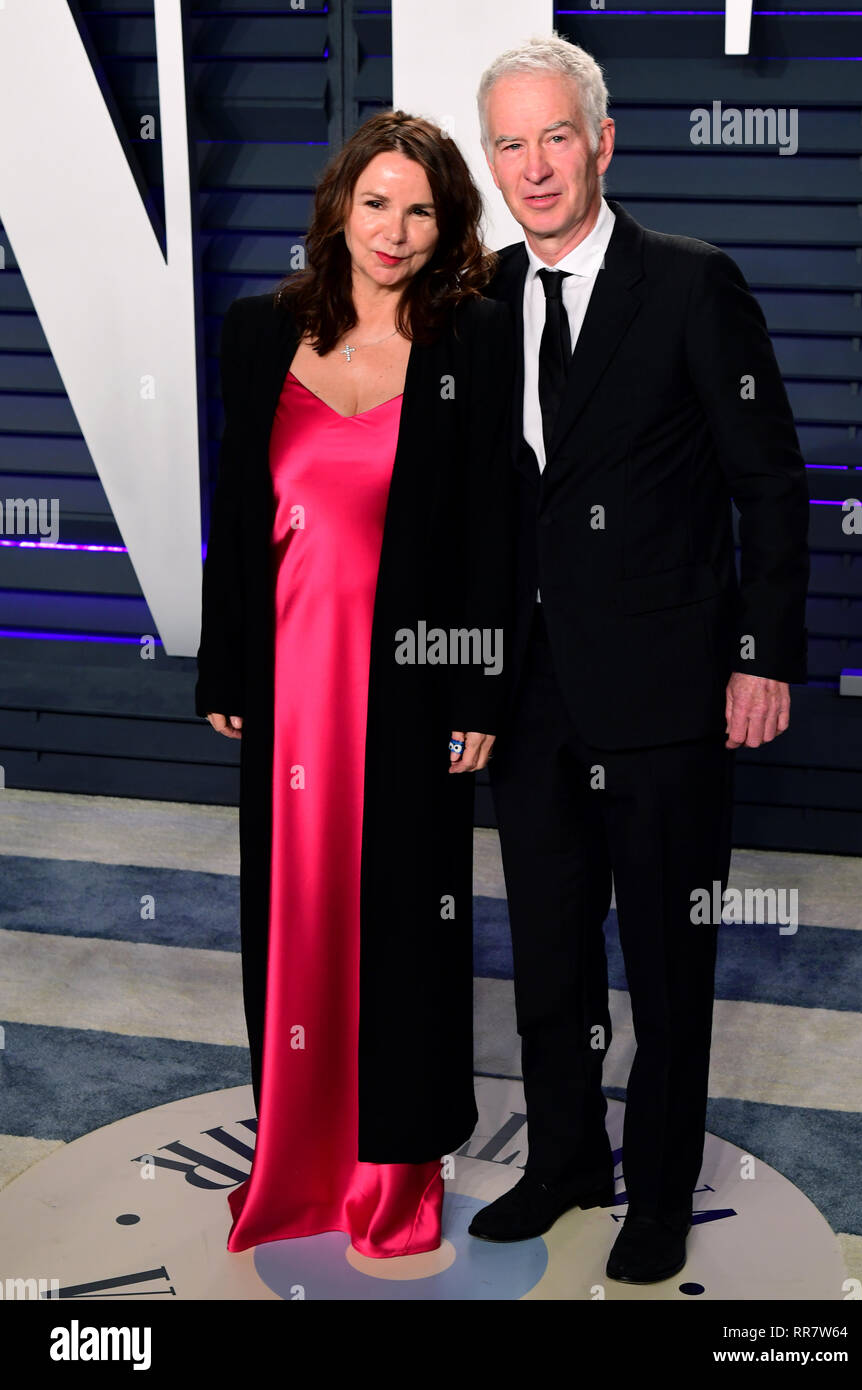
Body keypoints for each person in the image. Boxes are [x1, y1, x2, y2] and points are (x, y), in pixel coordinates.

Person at [469, 35, 810, 1283]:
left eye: (556, 135)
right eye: (510, 143)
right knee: (547, 951)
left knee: (668, 957)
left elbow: (767, 482)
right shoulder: (485, 299)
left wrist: (761, 654)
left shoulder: (688, 284)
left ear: (602, 142)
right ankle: (564, 1158)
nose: (535, 165)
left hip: (669, 690)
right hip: (532, 693)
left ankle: (657, 1191)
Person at [194, 111, 514, 1258]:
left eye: (421, 209)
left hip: (411, 688)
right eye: (376, 202)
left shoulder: (471, 337)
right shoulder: (255, 330)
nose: (395, 229)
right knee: (291, 916)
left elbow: (492, 525)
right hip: (287, 683)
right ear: (337, 207)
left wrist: (480, 688)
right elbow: (236, 514)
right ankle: (293, 1161)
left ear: (447, 225)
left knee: (404, 930)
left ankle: (392, 1176)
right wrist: (224, 660)